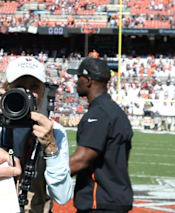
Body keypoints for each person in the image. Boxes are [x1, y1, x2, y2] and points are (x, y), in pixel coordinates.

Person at [0, 56, 72, 213]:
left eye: (34, 87)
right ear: (6, 89)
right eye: (19, 86)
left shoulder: (55, 131)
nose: (27, 93)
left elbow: (62, 196)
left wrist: (51, 147)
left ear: (43, 90)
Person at [68, 57, 133, 213]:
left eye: (79, 77)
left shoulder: (99, 114)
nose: (76, 82)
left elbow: (82, 160)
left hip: (101, 201)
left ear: (89, 81)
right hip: (113, 199)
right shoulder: (113, 110)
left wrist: (46, 176)